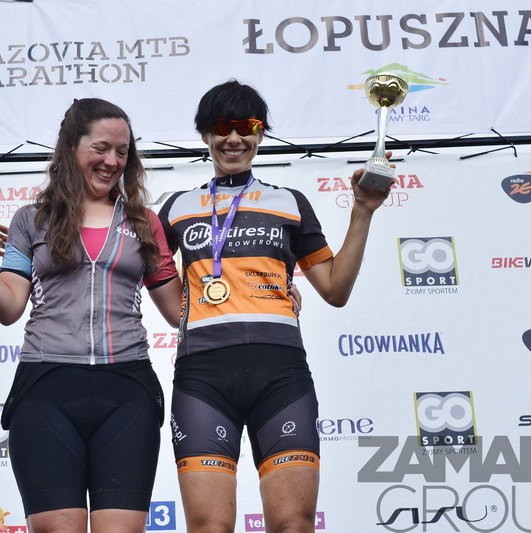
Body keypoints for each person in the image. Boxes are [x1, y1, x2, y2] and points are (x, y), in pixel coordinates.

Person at [0, 98, 182, 533]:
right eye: (101, 148)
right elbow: (9, 306)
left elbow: (179, 310)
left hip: (127, 391)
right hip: (46, 390)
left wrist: (258, 293)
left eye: (122, 152)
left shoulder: (145, 222)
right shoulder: (32, 219)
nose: (112, 161)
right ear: (70, 148)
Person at [155, 79, 392, 533]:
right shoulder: (177, 207)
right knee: (209, 527)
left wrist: (363, 210)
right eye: (222, 127)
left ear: (260, 133)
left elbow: (335, 289)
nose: (234, 138)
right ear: (205, 134)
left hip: (280, 376)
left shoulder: (290, 203)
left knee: (293, 524)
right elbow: (146, 272)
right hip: (203, 377)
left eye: (246, 127)